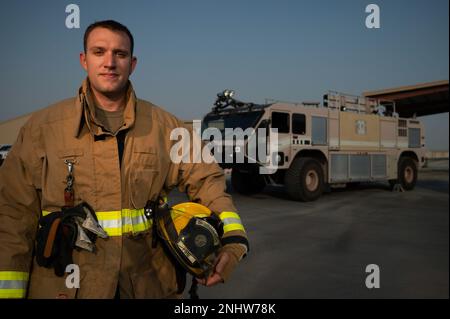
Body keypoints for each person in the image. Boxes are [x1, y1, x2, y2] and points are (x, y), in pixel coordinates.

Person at [0, 20, 248, 299]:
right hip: (67, 289)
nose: (110, 62)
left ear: (133, 63)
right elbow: (13, 217)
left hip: (145, 286)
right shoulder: (42, 130)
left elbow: (208, 181)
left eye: (120, 54)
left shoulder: (168, 128)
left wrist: (233, 240)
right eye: (99, 52)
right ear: (84, 60)